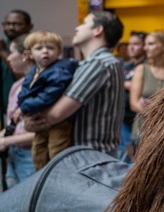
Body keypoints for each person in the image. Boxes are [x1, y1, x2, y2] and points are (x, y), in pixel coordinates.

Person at [23, 11, 125, 156]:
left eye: (84, 23)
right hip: (88, 156)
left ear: (98, 30)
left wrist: (30, 121)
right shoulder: (91, 63)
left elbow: (56, 114)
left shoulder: (99, 63)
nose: (77, 28)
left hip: (90, 158)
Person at [17, 31, 78, 170]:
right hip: (39, 118)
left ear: (59, 52)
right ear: (30, 53)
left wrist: (25, 106)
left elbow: (50, 94)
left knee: (57, 151)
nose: (45, 51)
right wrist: (21, 105)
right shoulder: (35, 70)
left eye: (50, 48)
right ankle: (42, 178)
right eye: (39, 48)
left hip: (59, 121)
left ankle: (58, 178)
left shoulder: (60, 69)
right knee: (38, 151)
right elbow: (26, 90)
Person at [129, 31, 164, 151]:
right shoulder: (141, 69)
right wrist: (163, 111)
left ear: (163, 47)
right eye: (145, 44)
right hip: (142, 131)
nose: (145, 48)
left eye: (151, 44)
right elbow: (134, 104)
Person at [1, 35, 35, 188]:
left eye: (12, 52)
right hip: (14, 154)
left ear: (25, 55)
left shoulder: (42, 87)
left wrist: (7, 141)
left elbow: (43, 131)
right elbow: (14, 124)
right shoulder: (17, 85)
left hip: (31, 155)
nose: (8, 58)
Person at [119, 31, 147, 161]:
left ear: (144, 46)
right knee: (129, 153)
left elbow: (145, 87)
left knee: (142, 152)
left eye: (136, 44)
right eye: (130, 44)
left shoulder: (148, 66)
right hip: (124, 116)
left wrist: (125, 84)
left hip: (141, 116)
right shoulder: (125, 66)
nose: (131, 47)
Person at [1, 9, 33, 117]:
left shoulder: (34, 46)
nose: (11, 27)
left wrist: (3, 53)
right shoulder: (2, 43)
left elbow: (27, 78)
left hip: (24, 109)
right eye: (7, 24)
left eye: (17, 24)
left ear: (30, 27)